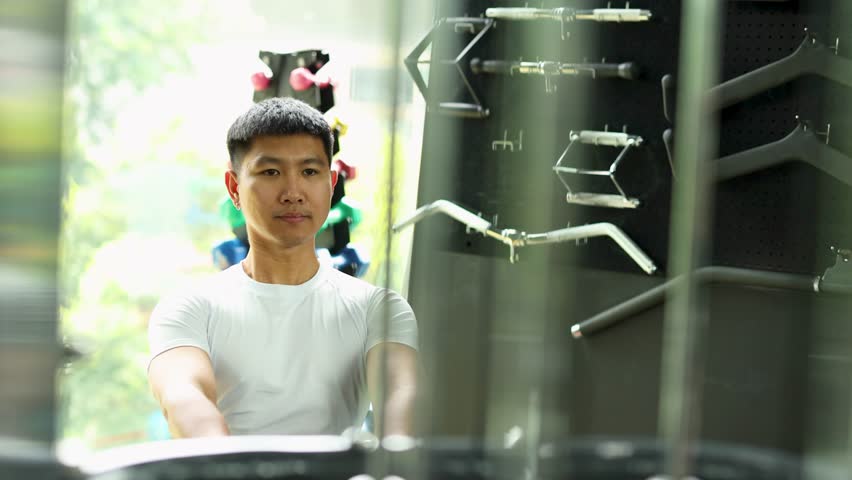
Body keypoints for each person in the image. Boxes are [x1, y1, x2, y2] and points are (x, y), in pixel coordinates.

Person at [146, 97, 418, 438]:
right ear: (234, 188)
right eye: (271, 172)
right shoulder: (190, 307)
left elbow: (401, 400)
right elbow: (184, 399)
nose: (293, 192)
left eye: (309, 172)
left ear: (331, 184)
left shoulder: (378, 309)